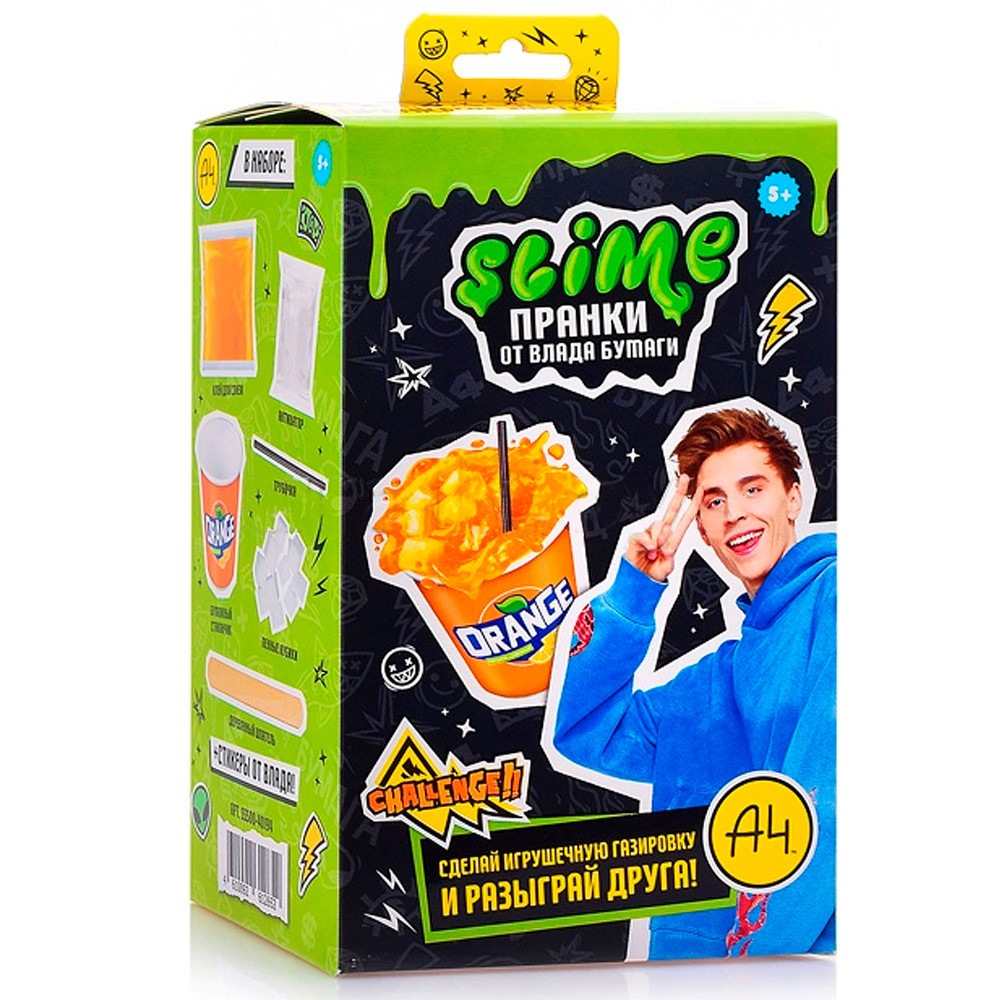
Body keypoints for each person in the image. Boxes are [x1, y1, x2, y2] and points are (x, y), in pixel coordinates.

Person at [552, 408, 835, 959]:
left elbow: (832, 798)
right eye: (714, 501)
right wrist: (634, 591)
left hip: (796, 969)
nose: (735, 514)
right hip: (688, 972)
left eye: (753, 488)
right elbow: (587, 732)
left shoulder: (838, 596)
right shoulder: (712, 680)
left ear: (793, 498)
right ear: (701, 530)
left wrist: (751, 966)